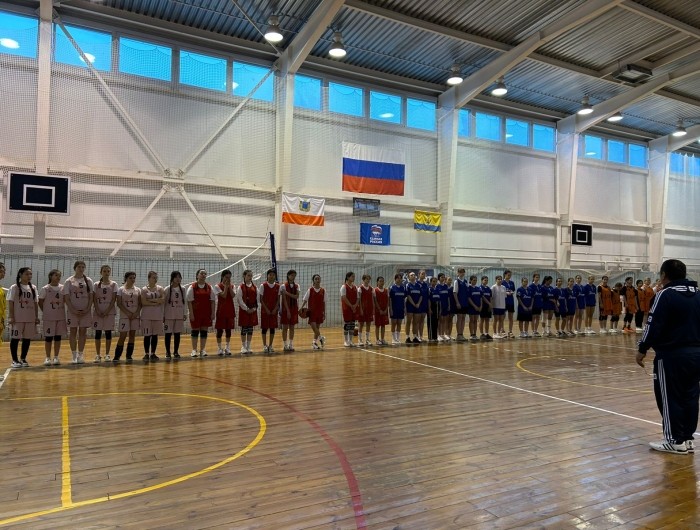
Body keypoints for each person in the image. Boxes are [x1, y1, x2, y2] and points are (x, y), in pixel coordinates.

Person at [637, 259, 700, 454]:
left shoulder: (664, 295)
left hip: (671, 356)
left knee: (670, 397)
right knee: (690, 397)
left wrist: (642, 348)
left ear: (664, 275)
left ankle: (674, 440)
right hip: (696, 355)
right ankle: (687, 438)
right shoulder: (698, 294)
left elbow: (652, 324)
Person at [64, 260, 94, 364]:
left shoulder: (88, 280)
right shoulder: (69, 281)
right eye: (79, 267)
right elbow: (67, 297)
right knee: (73, 331)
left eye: (83, 267)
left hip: (85, 311)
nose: (81, 269)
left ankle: (80, 354)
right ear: (75, 268)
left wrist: (88, 308)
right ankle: (74, 355)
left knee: (83, 331)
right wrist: (72, 309)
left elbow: (91, 296)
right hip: (73, 311)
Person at [8, 267, 39, 368]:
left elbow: (35, 303)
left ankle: (23, 358)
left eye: (30, 274)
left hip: (29, 317)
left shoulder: (33, 287)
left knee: (27, 339)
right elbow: (11, 302)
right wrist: (11, 316)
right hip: (18, 318)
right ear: (20, 275)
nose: (29, 276)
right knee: (15, 339)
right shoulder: (14, 287)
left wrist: (36, 316)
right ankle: (14, 360)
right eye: (27, 274)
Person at [39, 269, 66, 365]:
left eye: (59, 276)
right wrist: (46, 311)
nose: (58, 277)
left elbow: (66, 300)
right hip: (49, 318)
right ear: (50, 276)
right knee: (48, 338)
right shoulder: (45, 288)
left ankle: (56, 357)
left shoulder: (63, 288)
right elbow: (40, 302)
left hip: (60, 317)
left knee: (58, 337)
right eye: (56, 275)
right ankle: (47, 357)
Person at [187, 269, 216, 358]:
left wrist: (213, 313)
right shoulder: (192, 287)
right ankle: (194, 350)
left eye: (205, 274)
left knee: (204, 332)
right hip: (196, 313)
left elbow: (213, 301)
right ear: (197, 275)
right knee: (195, 331)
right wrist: (191, 313)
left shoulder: (209, 287)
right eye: (201, 273)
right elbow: (189, 301)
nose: (203, 275)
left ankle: (202, 350)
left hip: (206, 313)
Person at [113, 272, 140, 363]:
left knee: (132, 335)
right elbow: (119, 303)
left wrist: (136, 313)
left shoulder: (137, 290)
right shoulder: (121, 289)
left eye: (134, 278)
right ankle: (117, 356)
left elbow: (140, 303)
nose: (132, 280)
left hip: (134, 316)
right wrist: (127, 313)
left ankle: (129, 355)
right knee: (123, 335)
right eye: (130, 278)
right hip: (125, 316)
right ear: (126, 279)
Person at [92, 265, 117, 362]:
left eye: (108, 271)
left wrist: (107, 311)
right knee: (98, 333)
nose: (106, 273)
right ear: (101, 272)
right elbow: (94, 298)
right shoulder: (96, 284)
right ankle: (98, 355)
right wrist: (97, 309)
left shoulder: (114, 284)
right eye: (104, 271)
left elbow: (113, 299)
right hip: (98, 312)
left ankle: (107, 354)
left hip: (109, 312)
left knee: (108, 333)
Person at [141, 271, 165, 362]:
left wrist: (150, 300)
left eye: (156, 277)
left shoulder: (160, 288)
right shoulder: (144, 289)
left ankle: (153, 353)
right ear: (149, 278)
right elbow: (143, 302)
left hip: (157, 315)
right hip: (146, 316)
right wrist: (156, 301)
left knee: (155, 335)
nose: (155, 279)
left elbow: (162, 300)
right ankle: (146, 353)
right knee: (147, 335)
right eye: (153, 277)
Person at [163, 271, 187, 360]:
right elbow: (163, 303)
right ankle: (167, 352)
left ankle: (176, 351)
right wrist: (163, 315)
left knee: (177, 334)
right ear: (172, 278)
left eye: (179, 277)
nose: (178, 279)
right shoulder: (167, 289)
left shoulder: (183, 289)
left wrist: (185, 313)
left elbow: (185, 302)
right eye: (176, 277)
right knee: (168, 334)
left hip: (179, 314)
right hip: (169, 314)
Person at [213, 270, 236, 356]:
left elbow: (233, 295)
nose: (228, 279)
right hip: (221, 310)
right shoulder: (217, 286)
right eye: (226, 277)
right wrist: (226, 287)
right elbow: (224, 295)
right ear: (222, 276)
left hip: (230, 310)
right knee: (219, 330)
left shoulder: (233, 286)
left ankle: (227, 347)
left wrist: (229, 287)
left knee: (228, 330)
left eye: (229, 277)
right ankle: (219, 348)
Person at [236, 269, 258, 355]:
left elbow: (257, 299)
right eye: (248, 275)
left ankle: (248, 346)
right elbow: (239, 299)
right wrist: (246, 309)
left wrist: (254, 309)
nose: (250, 277)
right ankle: (243, 346)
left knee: (250, 328)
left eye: (251, 276)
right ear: (244, 276)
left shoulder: (255, 287)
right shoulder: (240, 287)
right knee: (244, 328)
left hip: (252, 311)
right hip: (244, 311)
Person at [301, 274, 326, 350]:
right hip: (312, 312)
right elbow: (305, 300)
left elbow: (324, 302)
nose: (317, 280)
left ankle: (314, 343)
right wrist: (301, 308)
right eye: (316, 279)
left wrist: (324, 313)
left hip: (320, 312)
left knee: (317, 328)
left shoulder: (323, 290)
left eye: (318, 279)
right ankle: (321, 338)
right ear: (313, 281)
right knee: (314, 328)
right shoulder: (310, 290)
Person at [259, 269, 280, 354]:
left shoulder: (278, 286)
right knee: (264, 328)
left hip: (273, 310)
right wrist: (266, 309)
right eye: (270, 274)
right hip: (265, 311)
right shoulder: (263, 285)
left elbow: (278, 299)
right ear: (267, 276)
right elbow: (261, 299)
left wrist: (275, 309)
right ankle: (265, 345)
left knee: (272, 328)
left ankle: (270, 345)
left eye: (273, 275)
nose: (271, 276)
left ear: (275, 276)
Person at [280, 270, 299, 352]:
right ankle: (285, 345)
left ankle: (291, 344)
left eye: (294, 275)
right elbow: (284, 299)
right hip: (286, 308)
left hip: (294, 308)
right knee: (285, 327)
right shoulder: (283, 286)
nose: (293, 277)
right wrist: (287, 311)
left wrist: (287, 293)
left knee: (292, 327)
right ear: (288, 275)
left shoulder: (297, 286)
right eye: (292, 275)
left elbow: (296, 297)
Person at [340, 272, 361, 347]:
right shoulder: (344, 287)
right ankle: (346, 341)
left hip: (354, 308)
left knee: (352, 324)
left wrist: (355, 305)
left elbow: (358, 298)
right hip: (347, 308)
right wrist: (351, 305)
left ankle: (351, 340)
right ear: (348, 277)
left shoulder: (355, 287)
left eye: (354, 276)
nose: (353, 278)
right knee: (347, 324)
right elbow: (344, 297)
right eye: (352, 276)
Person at [405, 272, 422, 344]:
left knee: (416, 322)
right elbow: (408, 296)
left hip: (417, 306)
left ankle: (415, 337)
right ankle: (407, 337)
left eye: (414, 275)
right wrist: (414, 304)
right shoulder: (407, 285)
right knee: (408, 321)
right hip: (410, 306)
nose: (413, 276)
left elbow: (421, 296)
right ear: (409, 277)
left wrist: (418, 303)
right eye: (411, 275)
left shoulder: (419, 285)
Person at [389, 273, 406, 345]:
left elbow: (404, 299)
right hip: (394, 308)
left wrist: (405, 308)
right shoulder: (392, 288)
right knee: (394, 323)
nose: (399, 279)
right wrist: (390, 309)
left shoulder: (403, 288)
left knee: (399, 323)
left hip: (401, 308)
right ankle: (393, 338)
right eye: (398, 278)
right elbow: (390, 299)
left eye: (400, 278)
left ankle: (398, 338)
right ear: (395, 279)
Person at [358, 274, 374, 346]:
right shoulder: (360, 288)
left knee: (368, 324)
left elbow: (372, 299)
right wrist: (360, 309)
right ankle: (360, 340)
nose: (368, 280)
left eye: (369, 279)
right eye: (367, 279)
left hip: (369, 308)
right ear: (363, 279)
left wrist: (373, 308)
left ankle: (367, 339)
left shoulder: (371, 288)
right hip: (363, 308)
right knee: (361, 324)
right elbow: (359, 300)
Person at [373, 276, 389, 346]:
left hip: (385, 310)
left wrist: (386, 309)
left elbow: (388, 300)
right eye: (380, 281)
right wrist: (379, 309)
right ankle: (377, 340)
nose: (382, 282)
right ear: (377, 282)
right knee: (377, 325)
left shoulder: (386, 290)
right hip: (378, 311)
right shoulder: (375, 290)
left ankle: (382, 339)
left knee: (383, 325)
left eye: (382, 281)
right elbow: (375, 301)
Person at [453, 268, 468, 342]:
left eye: (463, 272)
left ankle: (461, 334)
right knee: (459, 318)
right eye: (461, 272)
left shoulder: (465, 281)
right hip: (459, 302)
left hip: (465, 302)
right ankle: (458, 335)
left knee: (463, 318)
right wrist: (457, 302)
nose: (462, 273)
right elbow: (455, 293)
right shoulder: (456, 281)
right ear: (458, 273)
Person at [466, 275, 482, 342]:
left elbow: (480, 298)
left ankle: (475, 334)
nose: (475, 281)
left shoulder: (478, 288)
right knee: (472, 320)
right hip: (472, 307)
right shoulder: (468, 288)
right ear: (470, 280)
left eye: (476, 280)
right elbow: (469, 298)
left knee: (475, 320)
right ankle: (471, 334)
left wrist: (481, 306)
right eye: (473, 280)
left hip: (478, 307)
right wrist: (474, 306)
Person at [491, 275, 507, 339]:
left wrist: (504, 306)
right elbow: (491, 297)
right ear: (496, 280)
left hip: (502, 306)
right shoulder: (493, 287)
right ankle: (494, 333)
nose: (500, 280)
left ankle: (498, 333)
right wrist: (491, 306)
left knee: (501, 320)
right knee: (496, 319)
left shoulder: (504, 287)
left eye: (501, 279)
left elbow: (505, 297)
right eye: (498, 279)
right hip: (496, 306)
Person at [503, 270, 516, 339]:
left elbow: (513, 290)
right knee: (503, 316)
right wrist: (505, 293)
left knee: (511, 317)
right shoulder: (502, 282)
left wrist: (511, 292)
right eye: (508, 275)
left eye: (510, 275)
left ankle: (510, 331)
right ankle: (502, 330)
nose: (509, 276)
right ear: (505, 275)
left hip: (511, 301)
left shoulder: (512, 282)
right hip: (504, 301)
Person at [478, 275, 492, 340]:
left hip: (488, 306)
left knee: (487, 320)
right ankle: (482, 333)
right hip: (483, 306)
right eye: (485, 280)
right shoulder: (480, 288)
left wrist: (490, 305)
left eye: (487, 280)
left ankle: (486, 333)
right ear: (482, 281)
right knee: (482, 319)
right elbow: (482, 297)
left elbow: (491, 297)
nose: (486, 281)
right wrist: (489, 303)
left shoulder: (489, 289)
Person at [427, 276, 440, 342]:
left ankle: (435, 337)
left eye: (436, 281)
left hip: (437, 307)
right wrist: (429, 308)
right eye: (433, 281)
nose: (435, 283)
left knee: (436, 322)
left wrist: (440, 309)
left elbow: (439, 299)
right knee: (431, 322)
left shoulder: (437, 289)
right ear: (431, 282)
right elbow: (428, 299)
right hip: (431, 306)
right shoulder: (429, 289)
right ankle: (431, 337)